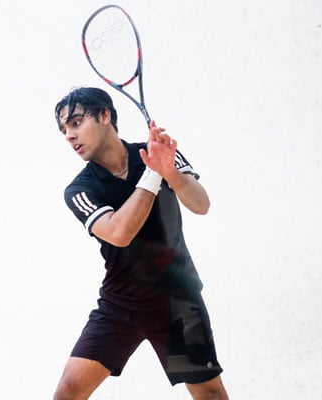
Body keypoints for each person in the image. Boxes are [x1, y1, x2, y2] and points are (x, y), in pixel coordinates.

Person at [52, 87, 229, 400]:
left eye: (77, 122)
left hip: (176, 305)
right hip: (120, 307)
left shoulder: (158, 154)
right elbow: (119, 233)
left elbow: (201, 204)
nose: (69, 135)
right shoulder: (80, 189)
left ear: (105, 115)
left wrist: (169, 171)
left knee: (209, 394)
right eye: (64, 129)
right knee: (68, 391)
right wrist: (152, 174)